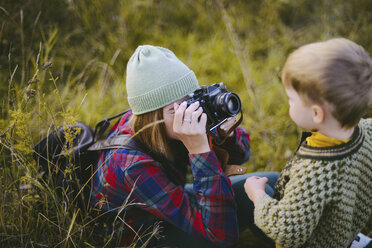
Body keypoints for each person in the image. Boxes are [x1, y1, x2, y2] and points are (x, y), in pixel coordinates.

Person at [91, 45, 279, 247]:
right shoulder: (131, 166)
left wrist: (225, 133)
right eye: (177, 109)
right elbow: (222, 235)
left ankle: (289, 237)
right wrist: (200, 151)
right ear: (153, 116)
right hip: (143, 235)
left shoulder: (165, 125)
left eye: (191, 99)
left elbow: (241, 156)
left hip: (166, 202)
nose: (191, 112)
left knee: (274, 184)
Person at [244, 38, 372, 248]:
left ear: (316, 113)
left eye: (291, 99)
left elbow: (287, 231)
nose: (288, 103)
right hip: (342, 227)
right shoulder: (367, 131)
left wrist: (257, 195)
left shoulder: (313, 172)